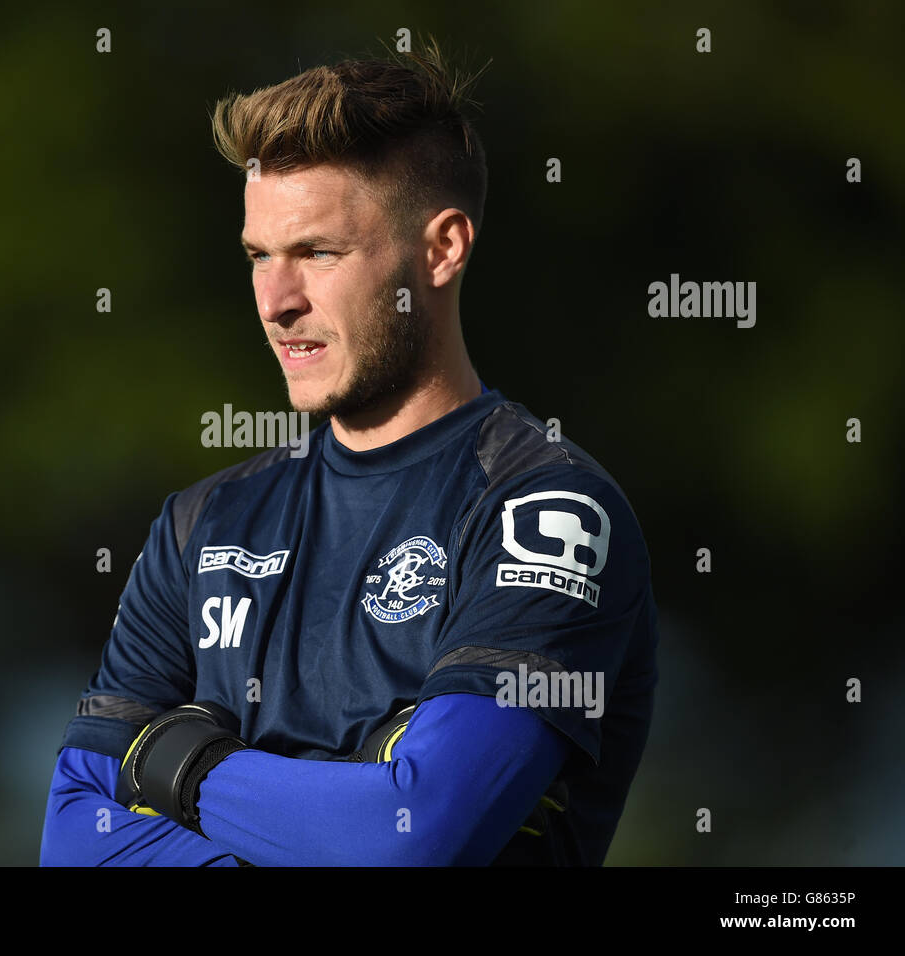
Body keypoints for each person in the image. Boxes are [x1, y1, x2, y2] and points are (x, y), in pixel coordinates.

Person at [40, 40, 658, 866]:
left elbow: (411, 833)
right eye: (259, 255)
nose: (276, 301)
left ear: (441, 250)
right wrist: (330, 805)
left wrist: (182, 768)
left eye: (318, 253)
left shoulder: (544, 513)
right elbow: (75, 835)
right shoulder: (200, 525)